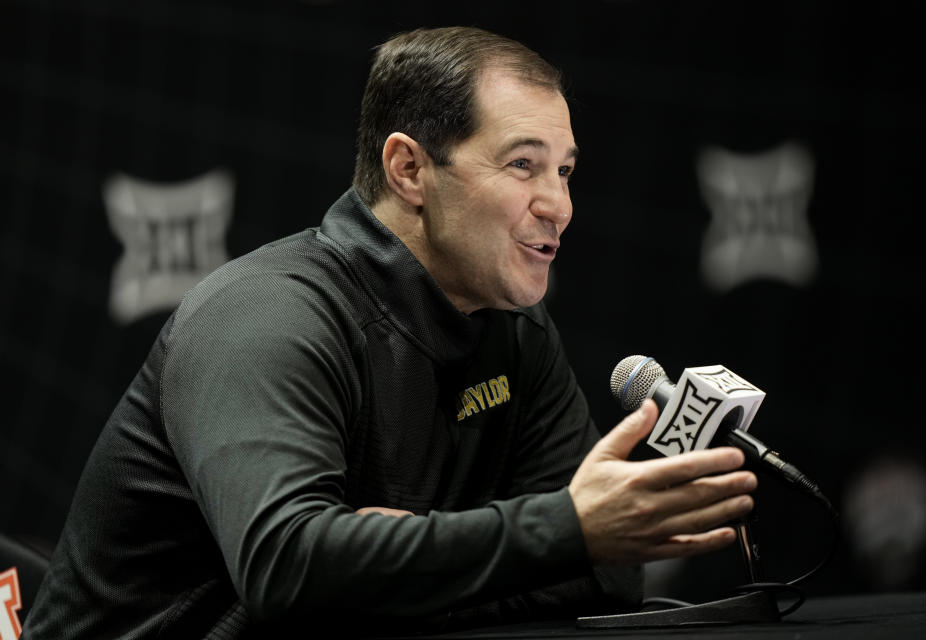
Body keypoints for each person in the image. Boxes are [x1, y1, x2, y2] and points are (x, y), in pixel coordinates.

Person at [23, 26, 756, 638]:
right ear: (409, 168)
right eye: (523, 165)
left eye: (564, 171)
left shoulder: (517, 330)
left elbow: (605, 571)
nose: (557, 205)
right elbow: (290, 563)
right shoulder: (265, 315)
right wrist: (559, 529)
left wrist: (386, 573)